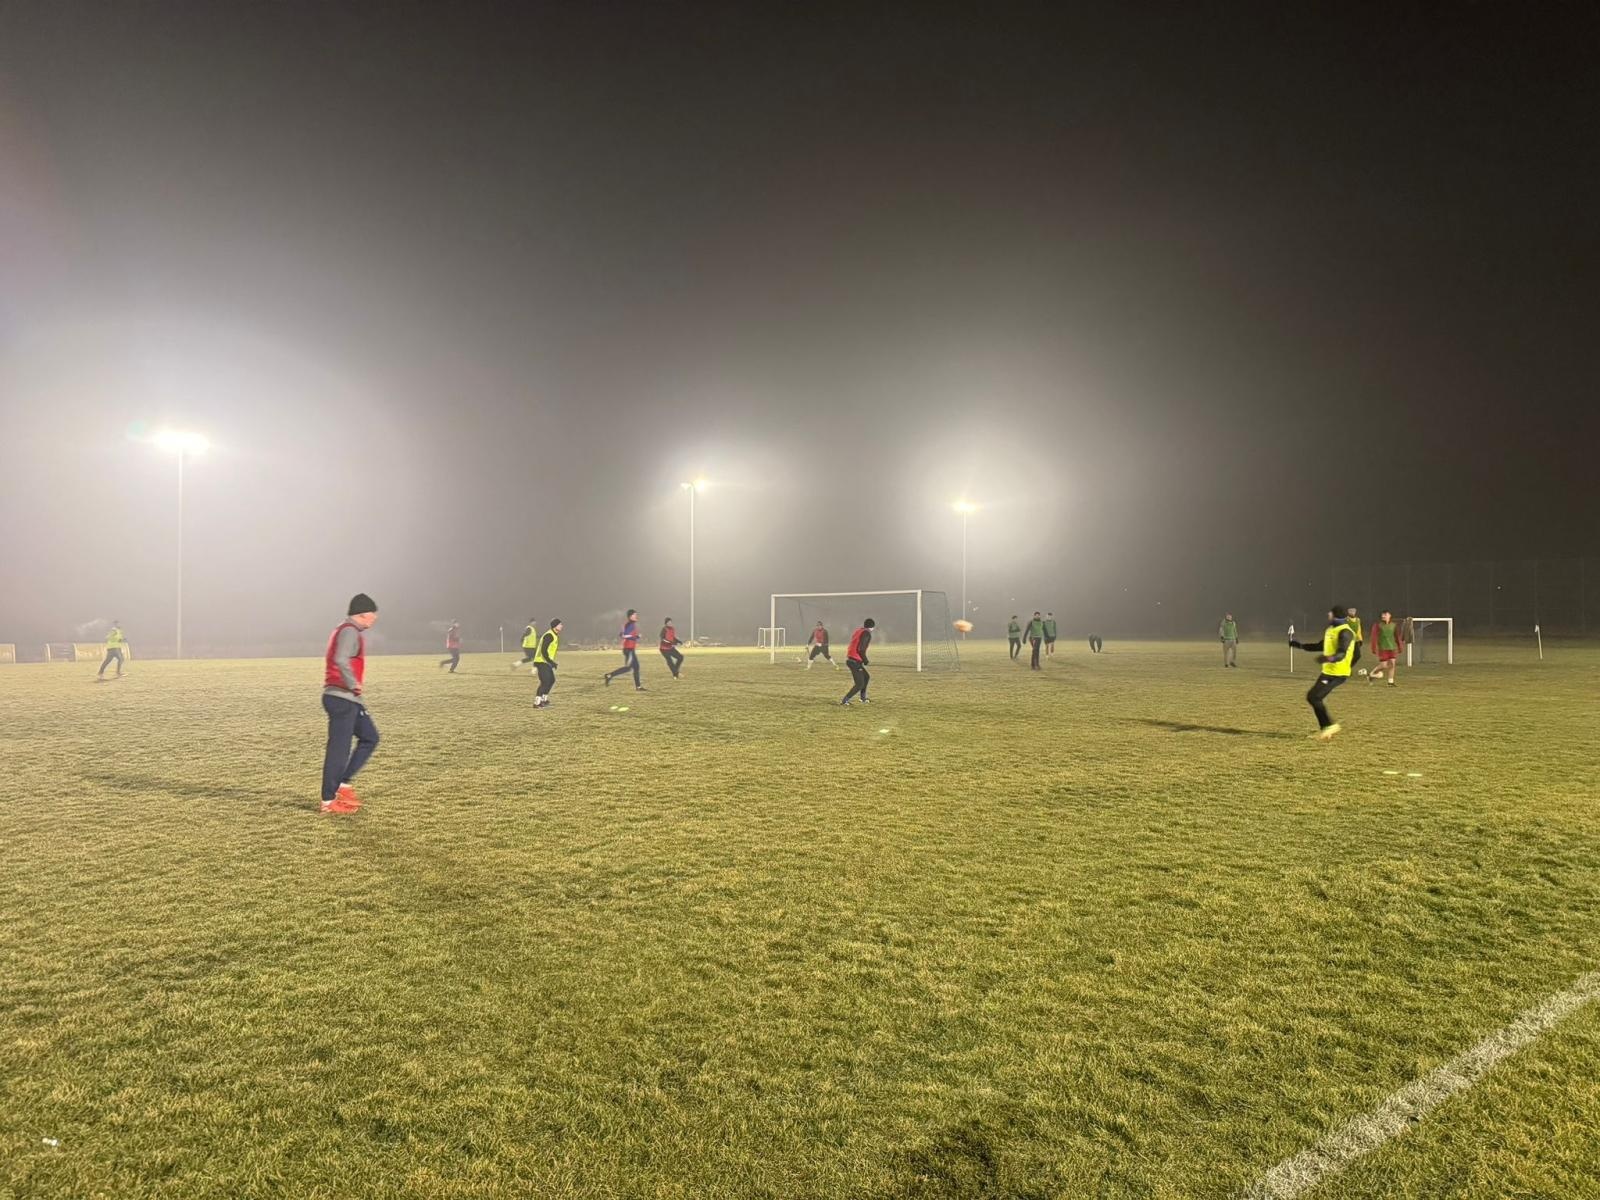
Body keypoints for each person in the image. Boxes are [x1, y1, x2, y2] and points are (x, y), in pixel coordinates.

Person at [321, 594, 380, 813]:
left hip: (348, 698)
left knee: (370, 737)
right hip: (341, 697)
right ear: (363, 614)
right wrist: (353, 683)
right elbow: (340, 659)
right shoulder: (349, 631)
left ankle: (343, 784)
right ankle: (328, 801)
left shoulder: (347, 630)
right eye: (373, 615)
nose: (374, 619)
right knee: (339, 749)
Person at [1289, 606, 1356, 740]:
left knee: (1314, 697)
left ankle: (1329, 726)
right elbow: (1320, 646)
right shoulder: (1331, 630)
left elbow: (1341, 654)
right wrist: (1300, 645)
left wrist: (1327, 658)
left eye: (1330, 615)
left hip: (1338, 673)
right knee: (1314, 697)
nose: (1328, 617)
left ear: (1336, 616)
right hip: (1328, 672)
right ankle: (1326, 730)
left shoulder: (1346, 632)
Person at [604, 609, 645, 690]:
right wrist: (636, 637)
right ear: (630, 616)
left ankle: (638, 687)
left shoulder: (630, 624)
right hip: (629, 649)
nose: (636, 616)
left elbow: (623, 634)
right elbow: (624, 635)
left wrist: (635, 637)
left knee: (636, 667)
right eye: (635, 615)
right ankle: (609, 675)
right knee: (628, 668)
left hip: (630, 649)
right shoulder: (631, 624)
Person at [841, 618, 875, 705]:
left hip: (851, 658)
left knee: (866, 677)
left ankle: (862, 698)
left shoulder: (859, 630)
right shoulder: (867, 633)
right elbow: (861, 649)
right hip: (854, 661)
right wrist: (865, 660)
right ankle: (845, 700)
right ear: (872, 627)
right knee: (859, 684)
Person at [532, 618, 562, 707]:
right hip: (541, 661)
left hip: (545, 661)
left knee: (551, 680)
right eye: (560, 624)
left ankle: (544, 700)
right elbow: (543, 650)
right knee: (545, 682)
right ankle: (537, 703)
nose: (562, 626)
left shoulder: (554, 635)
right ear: (555, 626)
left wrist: (551, 662)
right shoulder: (549, 635)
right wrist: (550, 662)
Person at [1369, 610, 1403, 685]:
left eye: (1385, 615)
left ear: (1389, 615)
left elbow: (1397, 636)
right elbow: (1373, 637)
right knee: (1383, 666)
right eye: (1382, 615)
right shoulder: (1378, 625)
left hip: (1392, 647)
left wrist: (1400, 646)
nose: (1383, 616)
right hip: (1383, 648)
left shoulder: (1394, 625)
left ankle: (1390, 682)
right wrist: (1373, 647)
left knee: (1392, 664)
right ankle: (1371, 674)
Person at [1346, 607, 1365, 673]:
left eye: (1353, 611)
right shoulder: (1346, 620)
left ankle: (1348, 667)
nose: (1352, 613)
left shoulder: (1358, 620)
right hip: (1348, 640)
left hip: (1356, 640)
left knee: (1357, 655)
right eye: (1350, 611)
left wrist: (1360, 639)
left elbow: (1359, 630)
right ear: (1348, 612)